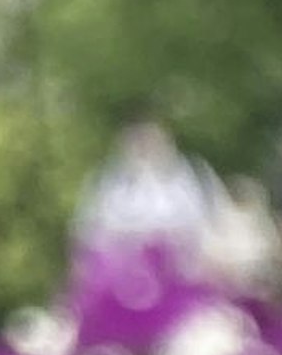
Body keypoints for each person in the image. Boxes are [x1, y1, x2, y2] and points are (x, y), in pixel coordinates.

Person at [74, 109, 224, 273]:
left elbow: (220, 231)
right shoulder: (106, 183)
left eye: (150, 138)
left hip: (187, 279)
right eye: (136, 139)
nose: (144, 146)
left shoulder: (196, 175)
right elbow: (86, 240)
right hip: (125, 283)